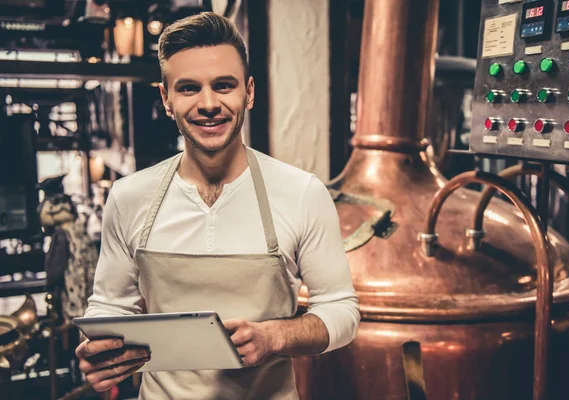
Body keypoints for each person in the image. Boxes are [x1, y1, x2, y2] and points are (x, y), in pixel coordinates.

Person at [74, 11, 360, 399]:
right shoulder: (128, 197)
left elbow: (342, 311)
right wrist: (98, 351)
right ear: (167, 98)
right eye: (189, 88)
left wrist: (274, 335)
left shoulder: (302, 193)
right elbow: (110, 305)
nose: (209, 104)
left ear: (249, 92)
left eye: (224, 85)